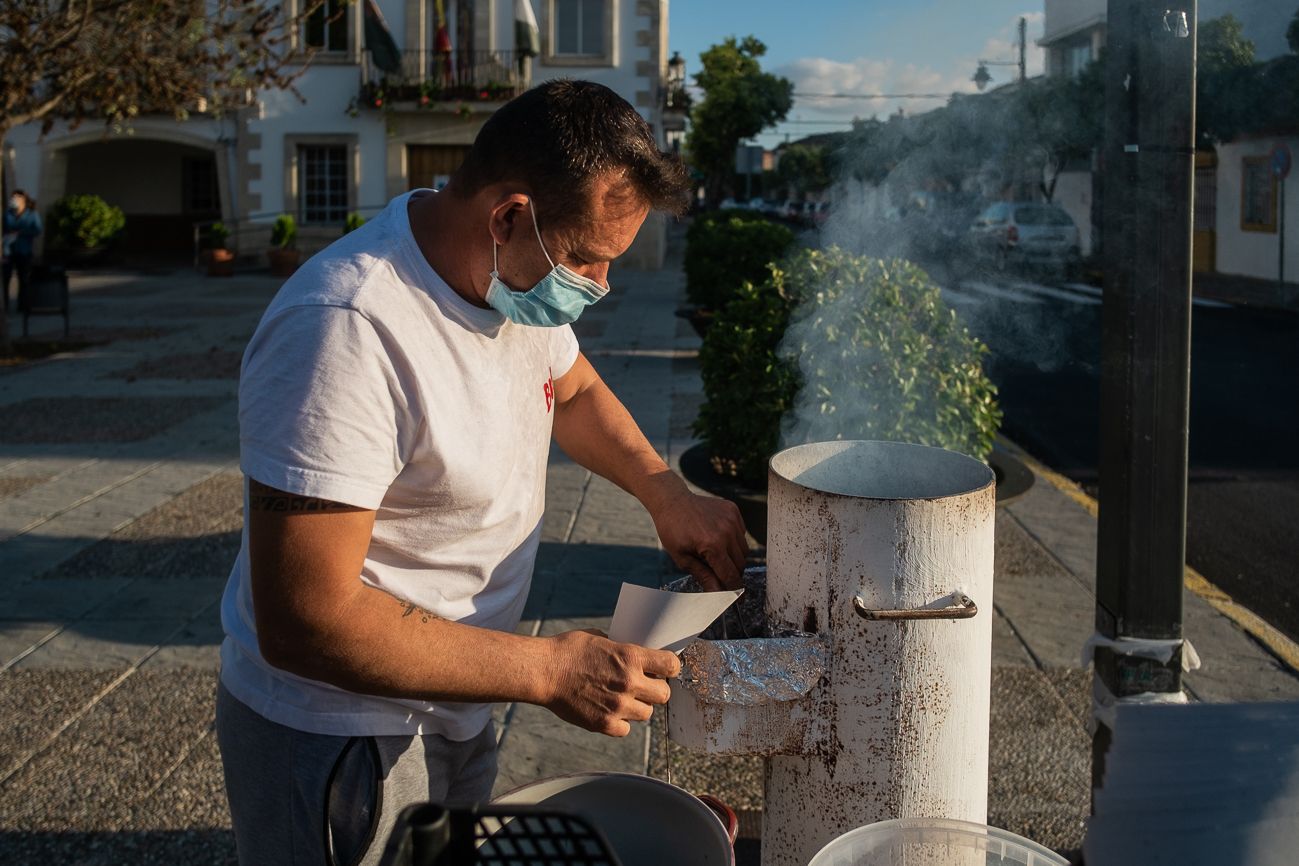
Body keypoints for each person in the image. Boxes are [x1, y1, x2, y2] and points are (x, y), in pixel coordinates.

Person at [215, 79, 748, 866]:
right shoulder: (343, 330)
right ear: (507, 216)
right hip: (340, 732)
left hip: (457, 692)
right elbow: (306, 618)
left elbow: (574, 390)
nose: (597, 288)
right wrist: (546, 668)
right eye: (585, 261)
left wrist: (664, 491)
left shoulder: (510, 281)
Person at [3, 190, 42, 313]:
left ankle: (22, 305)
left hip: (24, 250)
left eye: (17, 198)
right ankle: (5, 306)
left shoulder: (32, 214)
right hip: (8, 251)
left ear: (24, 200)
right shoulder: (7, 214)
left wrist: (21, 233)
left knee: (24, 279)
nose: (14, 200)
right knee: (5, 279)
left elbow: (37, 230)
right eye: (12, 198)